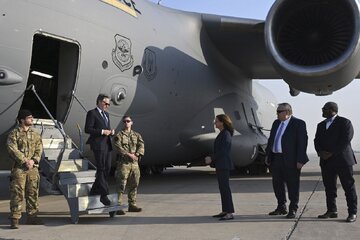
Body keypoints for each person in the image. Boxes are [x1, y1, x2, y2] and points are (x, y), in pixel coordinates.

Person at [314, 102, 357, 223]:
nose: (322, 110)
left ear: (332, 110)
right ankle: (332, 210)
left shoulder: (345, 122)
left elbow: (346, 139)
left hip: (342, 160)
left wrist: (332, 153)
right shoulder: (321, 125)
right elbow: (316, 140)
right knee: (329, 188)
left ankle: (352, 212)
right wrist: (320, 152)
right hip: (326, 162)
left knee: (348, 187)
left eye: (324, 109)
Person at [265, 103, 309, 219]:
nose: (277, 114)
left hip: (291, 160)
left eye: (280, 111)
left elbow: (302, 143)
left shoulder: (298, 124)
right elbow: (271, 140)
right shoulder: (276, 123)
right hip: (276, 158)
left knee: (292, 186)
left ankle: (293, 209)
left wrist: (300, 160)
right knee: (277, 185)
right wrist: (267, 154)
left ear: (287, 112)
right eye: (277, 111)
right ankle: (281, 207)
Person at [7, 109, 43, 229]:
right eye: (29, 117)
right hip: (19, 168)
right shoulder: (14, 133)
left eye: (32, 117)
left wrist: (34, 160)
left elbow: (39, 148)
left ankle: (32, 217)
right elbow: (12, 148)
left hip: (33, 168)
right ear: (22, 120)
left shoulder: (35, 134)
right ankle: (15, 218)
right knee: (17, 193)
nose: (32, 119)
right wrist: (24, 160)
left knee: (33, 192)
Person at [85, 94, 115, 206]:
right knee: (101, 168)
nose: (107, 106)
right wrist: (102, 132)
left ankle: (94, 190)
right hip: (98, 145)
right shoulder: (92, 113)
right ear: (99, 101)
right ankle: (104, 195)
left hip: (107, 144)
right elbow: (88, 129)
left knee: (107, 168)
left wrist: (110, 132)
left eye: (108, 104)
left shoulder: (106, 114)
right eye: (105, 103)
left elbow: (106, 128)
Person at [205, 114, 235, 221]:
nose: (215, 123)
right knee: (222, 188)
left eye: (216, 121)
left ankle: (230, 212)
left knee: (225, 188)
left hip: (224, 164)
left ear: (222, 122)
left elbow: (223, 150)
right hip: (220, 164)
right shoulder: (222, 134)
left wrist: (211, 158)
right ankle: (225, 210)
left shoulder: (226, 134)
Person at [113, 115, 145, 215]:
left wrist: (137, 154)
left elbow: (141, 145)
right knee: (121, 185)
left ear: (132, 122)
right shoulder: (119, 135)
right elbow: (117, 146)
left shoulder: (136, 135)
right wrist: (128, 154)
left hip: (134, 164)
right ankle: (117, 206)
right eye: (125, 121)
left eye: (128, 121)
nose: (126, 123)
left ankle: (132, 205)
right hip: (124, 164)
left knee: (134, 184)